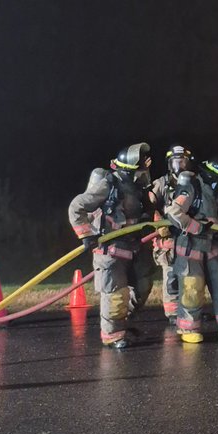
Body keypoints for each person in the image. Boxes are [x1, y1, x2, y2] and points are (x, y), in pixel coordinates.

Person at [68, 143, 156, 349]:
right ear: (130, 169)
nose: (145, 167)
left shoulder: (138, 188)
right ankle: (113, 336)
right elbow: (77, 206)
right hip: (111, 250)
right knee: (115, 293)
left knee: (143, 286)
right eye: (141, 164)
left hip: (134, 248)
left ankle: (123, 322)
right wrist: (86, 234)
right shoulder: (109, 185)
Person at [164, 157, 218, 343]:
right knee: (192, 287)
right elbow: (173, 212)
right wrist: (195, 227)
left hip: (214, 246)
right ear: (213, 176)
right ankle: (188, 328)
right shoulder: (193, 187)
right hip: (191, 246)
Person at [149, 145, 194, 326]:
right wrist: (158, 221)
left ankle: (187, 310)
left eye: (182, 161)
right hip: (168, 241)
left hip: (188, 237)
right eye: (176, 162)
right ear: (169, 164)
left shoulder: (192, 182)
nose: (179, 166)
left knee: (189, 277)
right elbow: (148, 203)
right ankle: (173, 312)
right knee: (171, 277)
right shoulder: (162, 183)